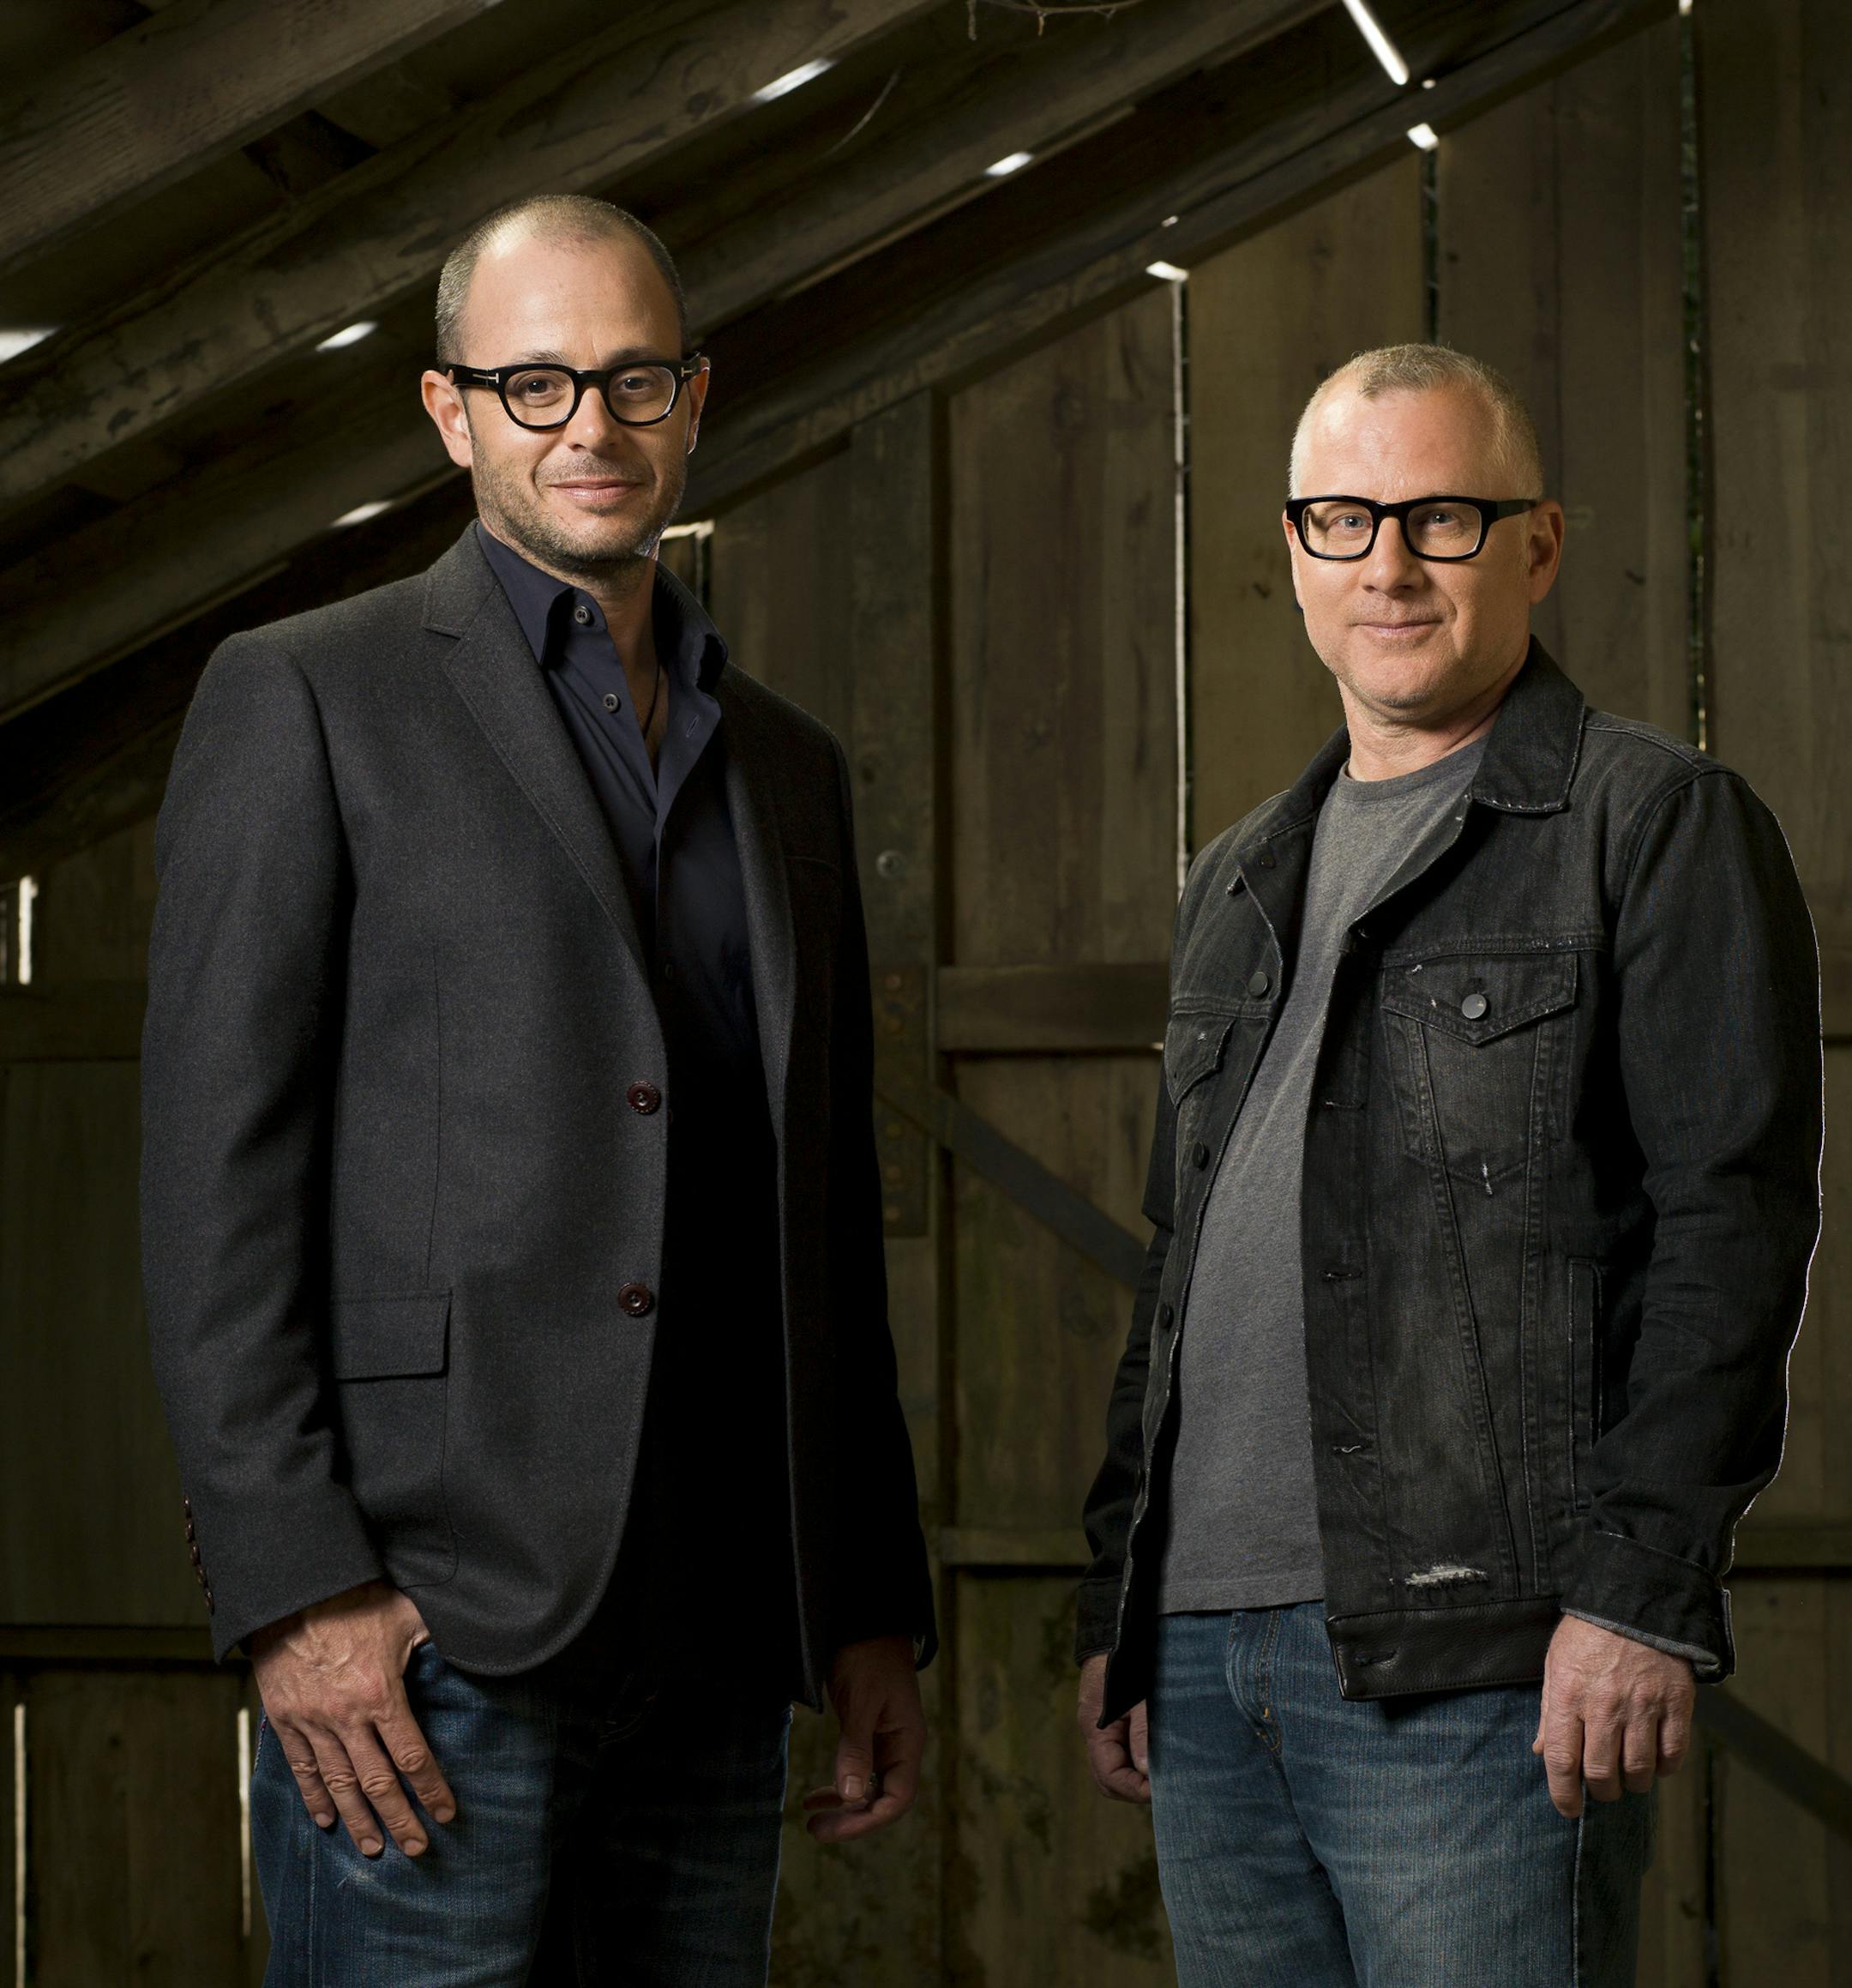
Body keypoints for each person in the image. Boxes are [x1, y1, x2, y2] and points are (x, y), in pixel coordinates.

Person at [141, 193, 935, 1987]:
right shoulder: (306, 699)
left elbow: (815, 1215)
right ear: (450, 412)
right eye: (537, 382)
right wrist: (296, 1592)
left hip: (729, 1633)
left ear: (697, 395)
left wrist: (868, 1605)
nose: (592, 423)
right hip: (428, 1640)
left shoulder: (786, 768)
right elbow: (215, 1188)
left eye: (634, 376)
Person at [1073, 343, 1821, 1985]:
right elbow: (1176, 1269)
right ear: (1292, 549)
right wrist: (1123, 1609)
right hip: (1207, 1664)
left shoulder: (1652, 819)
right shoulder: (1238, 876)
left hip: (1486, 1659)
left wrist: (1638, 1597)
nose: (1389, 566)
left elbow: (1731, 1226)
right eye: (1343, 520)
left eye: (1441, 519)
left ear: (1538, 544)